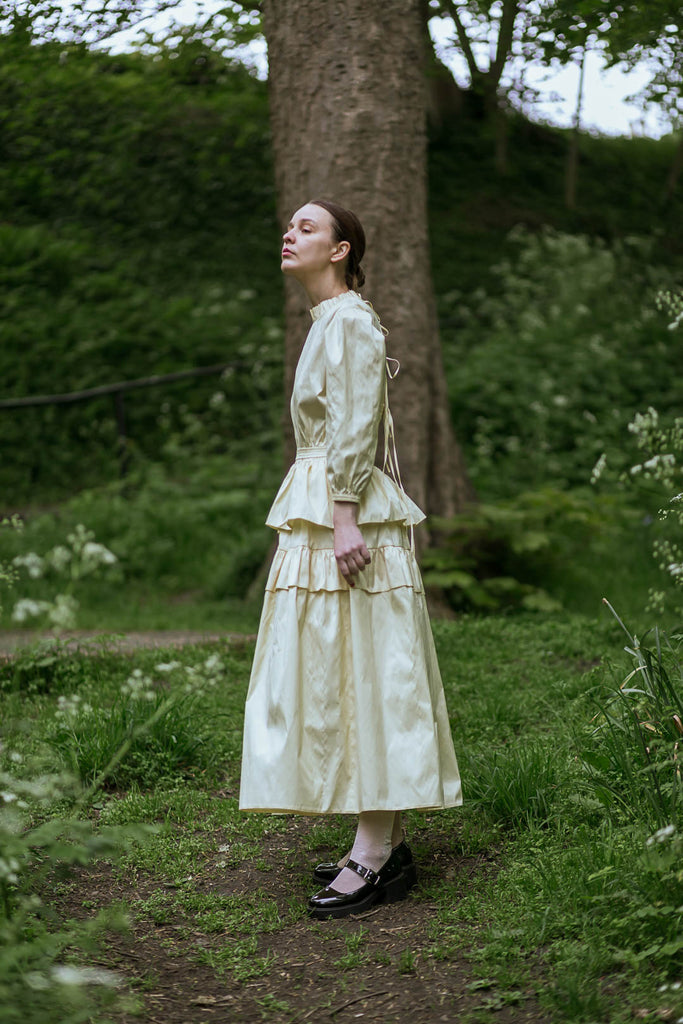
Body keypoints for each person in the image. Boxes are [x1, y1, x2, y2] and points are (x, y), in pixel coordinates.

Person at [239, 198, 461, 920]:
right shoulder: (329, 322)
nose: (289, 233)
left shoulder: (351, 321)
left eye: (307, 228)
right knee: (347, 664)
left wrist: (342, 514)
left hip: (343, 511)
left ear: (339, 251)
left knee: (368, 668)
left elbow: (359, 421)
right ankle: (383, 843)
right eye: (290, 225)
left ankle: (371, 851)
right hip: (329, 502)